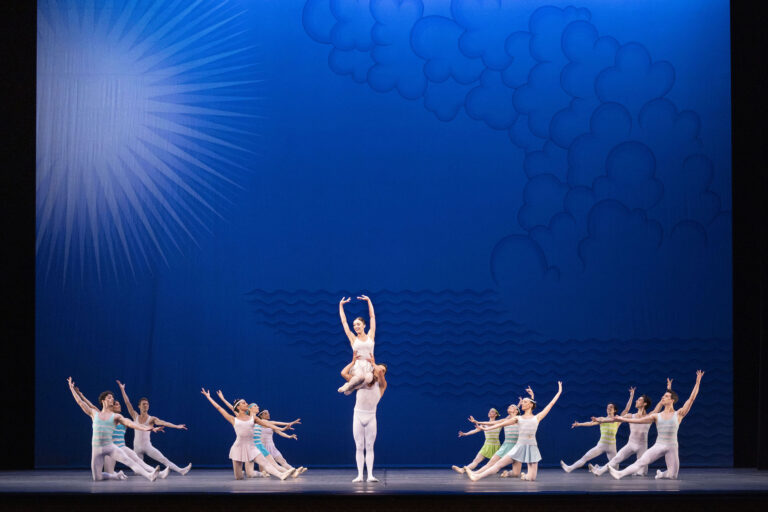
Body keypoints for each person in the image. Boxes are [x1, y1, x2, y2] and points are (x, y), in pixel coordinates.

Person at [609, 370, 705, 480]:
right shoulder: (656, 416)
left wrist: (698, 382)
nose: (662, 397)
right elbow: (638, 421)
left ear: (672, 400)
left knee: (673, 476)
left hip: (672, 447)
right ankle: (619, 474)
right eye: (663, 396)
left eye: (666, 396)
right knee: (641, 461)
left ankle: (661, 474)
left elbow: (691, 399)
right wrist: (621, 418)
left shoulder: (679, 414)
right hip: (658, 445)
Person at [67, 377, 162, 481]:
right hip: (96, 449)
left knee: (129, 461)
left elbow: (131, 424)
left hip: (110, 446)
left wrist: (149, 428)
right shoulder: (94, 413)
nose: (112, 399)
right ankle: (116, 475)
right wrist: (71, 389)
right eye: (109, 397)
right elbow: (81, 403)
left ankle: (149, 475)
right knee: (97, 478)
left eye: (112, 397)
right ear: (103, 401)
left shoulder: (116, 417)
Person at [215, 391, 302, 479]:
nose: (258, 407)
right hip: (246, 447)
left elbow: (272, 424)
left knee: (269, 464)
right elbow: (232, 408)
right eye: (255, 406)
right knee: (248, 474)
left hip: (255, 446)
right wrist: (222, 399)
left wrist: (286, 426)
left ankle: (289, 473)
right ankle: (264, 473)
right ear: (249, 408)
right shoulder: (244, 417)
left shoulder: (256, 419)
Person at [590, 383, 667, 477]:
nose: (636, 401)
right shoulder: (631, 416)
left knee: (642, 472)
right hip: (631, 444)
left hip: (642, 446)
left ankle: (632, 471)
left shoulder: (649, 416)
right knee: (616, 458)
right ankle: (599, 471)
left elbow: (660, 404)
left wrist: (668, 389)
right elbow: (613, 419)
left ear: (644, 404)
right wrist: (600, 419)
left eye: (639, 400)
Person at [117, 380, 192, 475]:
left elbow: (163, 422)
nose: (145, 406)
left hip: (147, 446)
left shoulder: (151, 419)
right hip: (136, 447)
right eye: (143, 404)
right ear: (139, 406)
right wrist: (122, 390)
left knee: (163, 459)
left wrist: (176, 426)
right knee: (138, 471)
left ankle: (181, 470)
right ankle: (158, 474)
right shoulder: (135, 415)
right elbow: (127, 403)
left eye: (147, 404)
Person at [500, 381, 563, 481]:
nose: (524, 404)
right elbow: (528, 408)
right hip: (518, 444)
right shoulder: (516, 418)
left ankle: (524, 475)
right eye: (523, 403)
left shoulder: (529, 416)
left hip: (527, 442)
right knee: (508, 468)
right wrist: (486, 427)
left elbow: (532, 408)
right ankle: (484, 473)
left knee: (530, 477)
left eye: (526, 402)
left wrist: (559, 391)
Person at [341, 353, 388, 482]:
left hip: (371, 417)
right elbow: (344, 373)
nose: (380, 371)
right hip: (358, 415)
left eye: (383, 371)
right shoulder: (362, 382)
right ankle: (360, 475)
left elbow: (381, 374)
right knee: (359, 446)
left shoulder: (382, 385)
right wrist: (352, 362)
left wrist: (374, 364)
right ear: (373, 370)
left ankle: (371, 475)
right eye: (379, 369)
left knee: (370, 446)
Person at [559, 398, 623, 473]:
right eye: (608, 407)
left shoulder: (617, 420)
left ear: (615, 410)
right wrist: (579, 424)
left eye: (611, 407)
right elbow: (590, 423)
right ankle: (569, 468)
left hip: (612, 447)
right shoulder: (602, 419)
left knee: (615, 468)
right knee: (585, 457)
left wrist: (631, 396)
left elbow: (626, 410)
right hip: (601, 445)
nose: (609, 408)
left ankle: (598, 468)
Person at [338, 295, 376, 394]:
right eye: (354, 325)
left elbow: (372, 317)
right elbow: (344, 322)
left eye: (358, 324)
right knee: (360, 377)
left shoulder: (371, 335)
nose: (356, 326)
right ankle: (349, 386)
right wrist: (341, 305)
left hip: (368, 366)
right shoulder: (353, 338)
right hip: (357, 366)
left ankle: (350, 386)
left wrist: (368, 300)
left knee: (368, 379)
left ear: (364, 325)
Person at [451, 408, 501, 474]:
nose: (489, 412)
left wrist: (517, 407)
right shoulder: (484, 424)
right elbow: (475, 430)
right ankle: (462, 470)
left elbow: (510, 417)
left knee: (494, 466)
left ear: (496, 414)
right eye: (489, 411)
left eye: (492, 412)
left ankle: (482, 473)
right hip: (487, 445)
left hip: (496, 446)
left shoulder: (499, 423)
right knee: (476, 460)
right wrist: (465, 434)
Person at [257, 409, 305, 474]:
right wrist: (291, 423)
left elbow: (280, 432)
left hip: (271, 447)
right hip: (262, 447)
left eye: (268, 413)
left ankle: (294, 471)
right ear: (261, 415)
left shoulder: (270, 425)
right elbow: (275, 422)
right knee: (263, 466)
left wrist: (289, 436)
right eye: (266, 413)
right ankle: (263, 474)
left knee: (282, 461)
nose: (268, 414)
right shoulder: (260, 422)